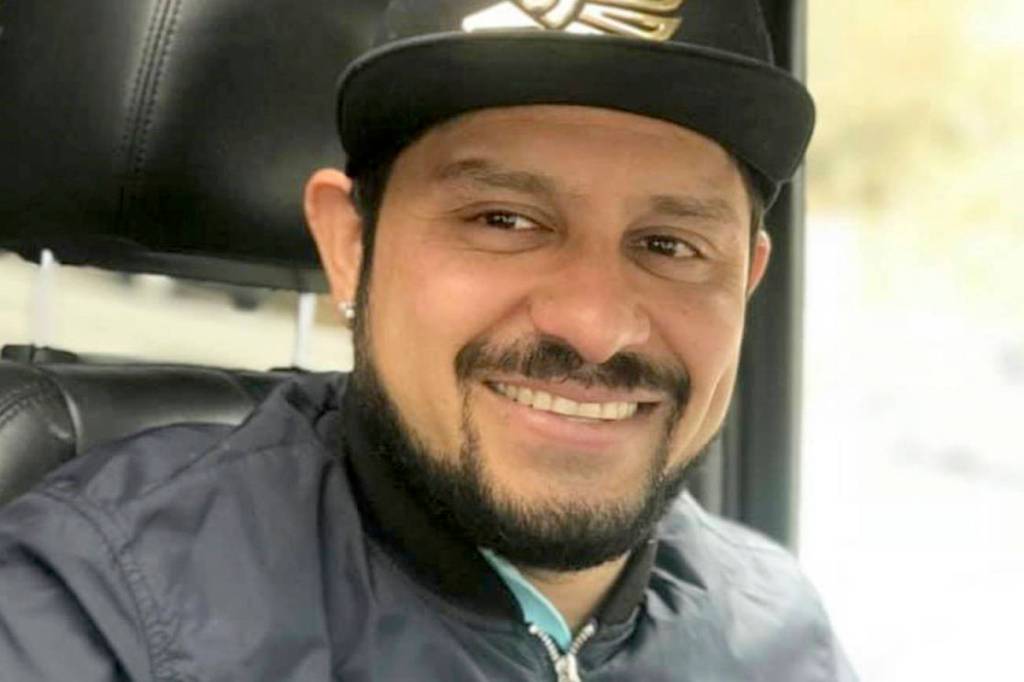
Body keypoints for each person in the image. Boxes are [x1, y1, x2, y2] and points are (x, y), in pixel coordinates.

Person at [0, 1, 857, 679]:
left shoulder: (777, 633)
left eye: (670, 245)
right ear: (350, 248)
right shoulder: (97, 610)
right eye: (504, 220)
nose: (596, 326)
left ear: (747, 281)